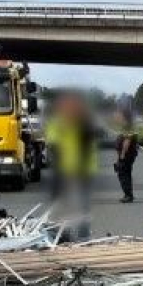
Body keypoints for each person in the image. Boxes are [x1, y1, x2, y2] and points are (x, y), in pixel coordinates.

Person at [45, 92, 99, 239]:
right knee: (60, 203)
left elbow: (87, 147)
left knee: (82, 204)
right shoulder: (57, 123)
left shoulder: (86, 124)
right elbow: (53, 146)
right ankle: (60, 233)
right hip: (63, 169)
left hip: (83, 169)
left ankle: (83, 233)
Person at [114, 111, 140, 203]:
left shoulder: (127, 126)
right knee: (126, 174)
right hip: (128, 155)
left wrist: (122, 156)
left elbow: (127, 141)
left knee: (123, 175)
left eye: (120, 117)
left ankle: (128, 195)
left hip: (126, 156)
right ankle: (129, 194)